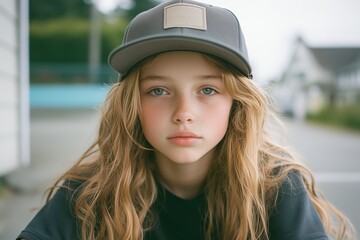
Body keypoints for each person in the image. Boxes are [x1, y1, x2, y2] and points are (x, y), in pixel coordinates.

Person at [17, 0, 356, 239]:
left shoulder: (276, 187)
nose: (184, 114)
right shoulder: (92, 191)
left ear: (236, 103)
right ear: (132, 103)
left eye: (208, 90)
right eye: (159, 91)